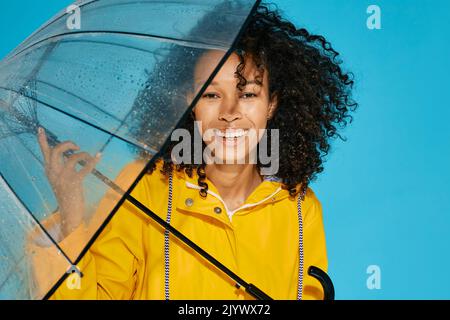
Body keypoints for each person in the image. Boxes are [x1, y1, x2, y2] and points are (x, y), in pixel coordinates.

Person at [28, 2, 357, 300]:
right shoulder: (141, 190)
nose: (229, 112)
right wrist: (71, 218)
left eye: (248, 94)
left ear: (271, 105)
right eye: (212, 95)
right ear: (190, 104)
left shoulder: (301, 206)